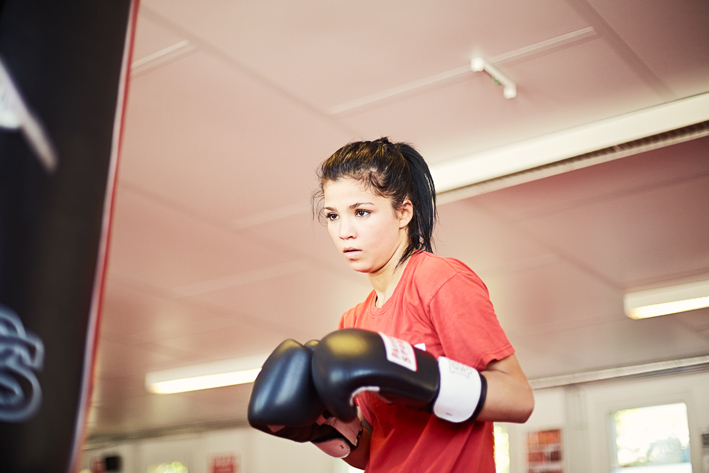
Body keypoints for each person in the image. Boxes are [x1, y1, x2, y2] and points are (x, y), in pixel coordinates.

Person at [248, 137, 533, 472]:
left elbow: (519, 398)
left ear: (403, 213)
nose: (344, 231)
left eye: (362, 212)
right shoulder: (353, 322)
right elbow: (372, 452)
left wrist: (422, 379)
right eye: (333, 216)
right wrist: (321, 430)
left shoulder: (439, 280)